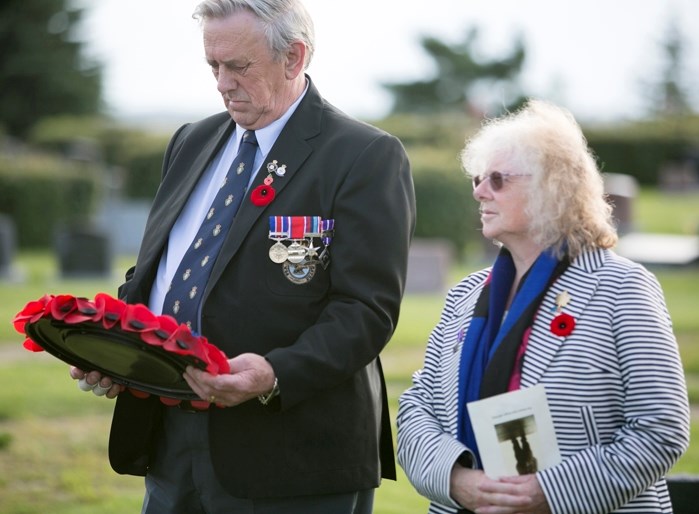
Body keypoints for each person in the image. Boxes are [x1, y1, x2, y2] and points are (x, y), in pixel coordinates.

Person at [70, 1, 416, 512]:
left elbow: (367, 311)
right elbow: (158, 273)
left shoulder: (364, 155)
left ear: (294, 58)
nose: (221, 83)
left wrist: (273, 374)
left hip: (293, 456)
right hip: (169, 440)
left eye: (238, 66)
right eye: (213, 65)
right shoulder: (191, 141)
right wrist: (116, 350)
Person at [396, 99, 689, 514]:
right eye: (478, 179)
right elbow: (416, 408)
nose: (479, 191)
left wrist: (549, 492)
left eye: (497, 180)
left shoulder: (621, 287)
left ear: (551, 188)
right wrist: (457, 479)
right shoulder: (465, 294)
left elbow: (661, 429)